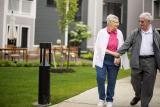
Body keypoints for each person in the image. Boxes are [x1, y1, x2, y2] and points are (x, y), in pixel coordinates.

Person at [115, 12, 160, 107]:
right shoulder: (135, 32)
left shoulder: (155, 33)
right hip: (137, 60)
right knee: (134, 81)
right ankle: (138, 95)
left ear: (149, 22)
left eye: (142, 21)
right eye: (139, 21)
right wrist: (118, 53)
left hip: (151, 61)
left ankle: (145, 104)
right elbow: (127, 44)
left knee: (148, 85)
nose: (140, 23)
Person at [93, 14, 129, 107]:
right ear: (110, 23)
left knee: (112, 81)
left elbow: (121, 47)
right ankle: (101, 99)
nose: (118, 24)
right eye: (116, 22)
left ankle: (109, 100)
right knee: (100, 78)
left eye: (118, 22)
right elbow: (100, 47)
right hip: (102, 59)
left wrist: (118, 57)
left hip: (114, 61)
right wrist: (114, 54)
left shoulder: (119, 33)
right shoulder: (102, 32)